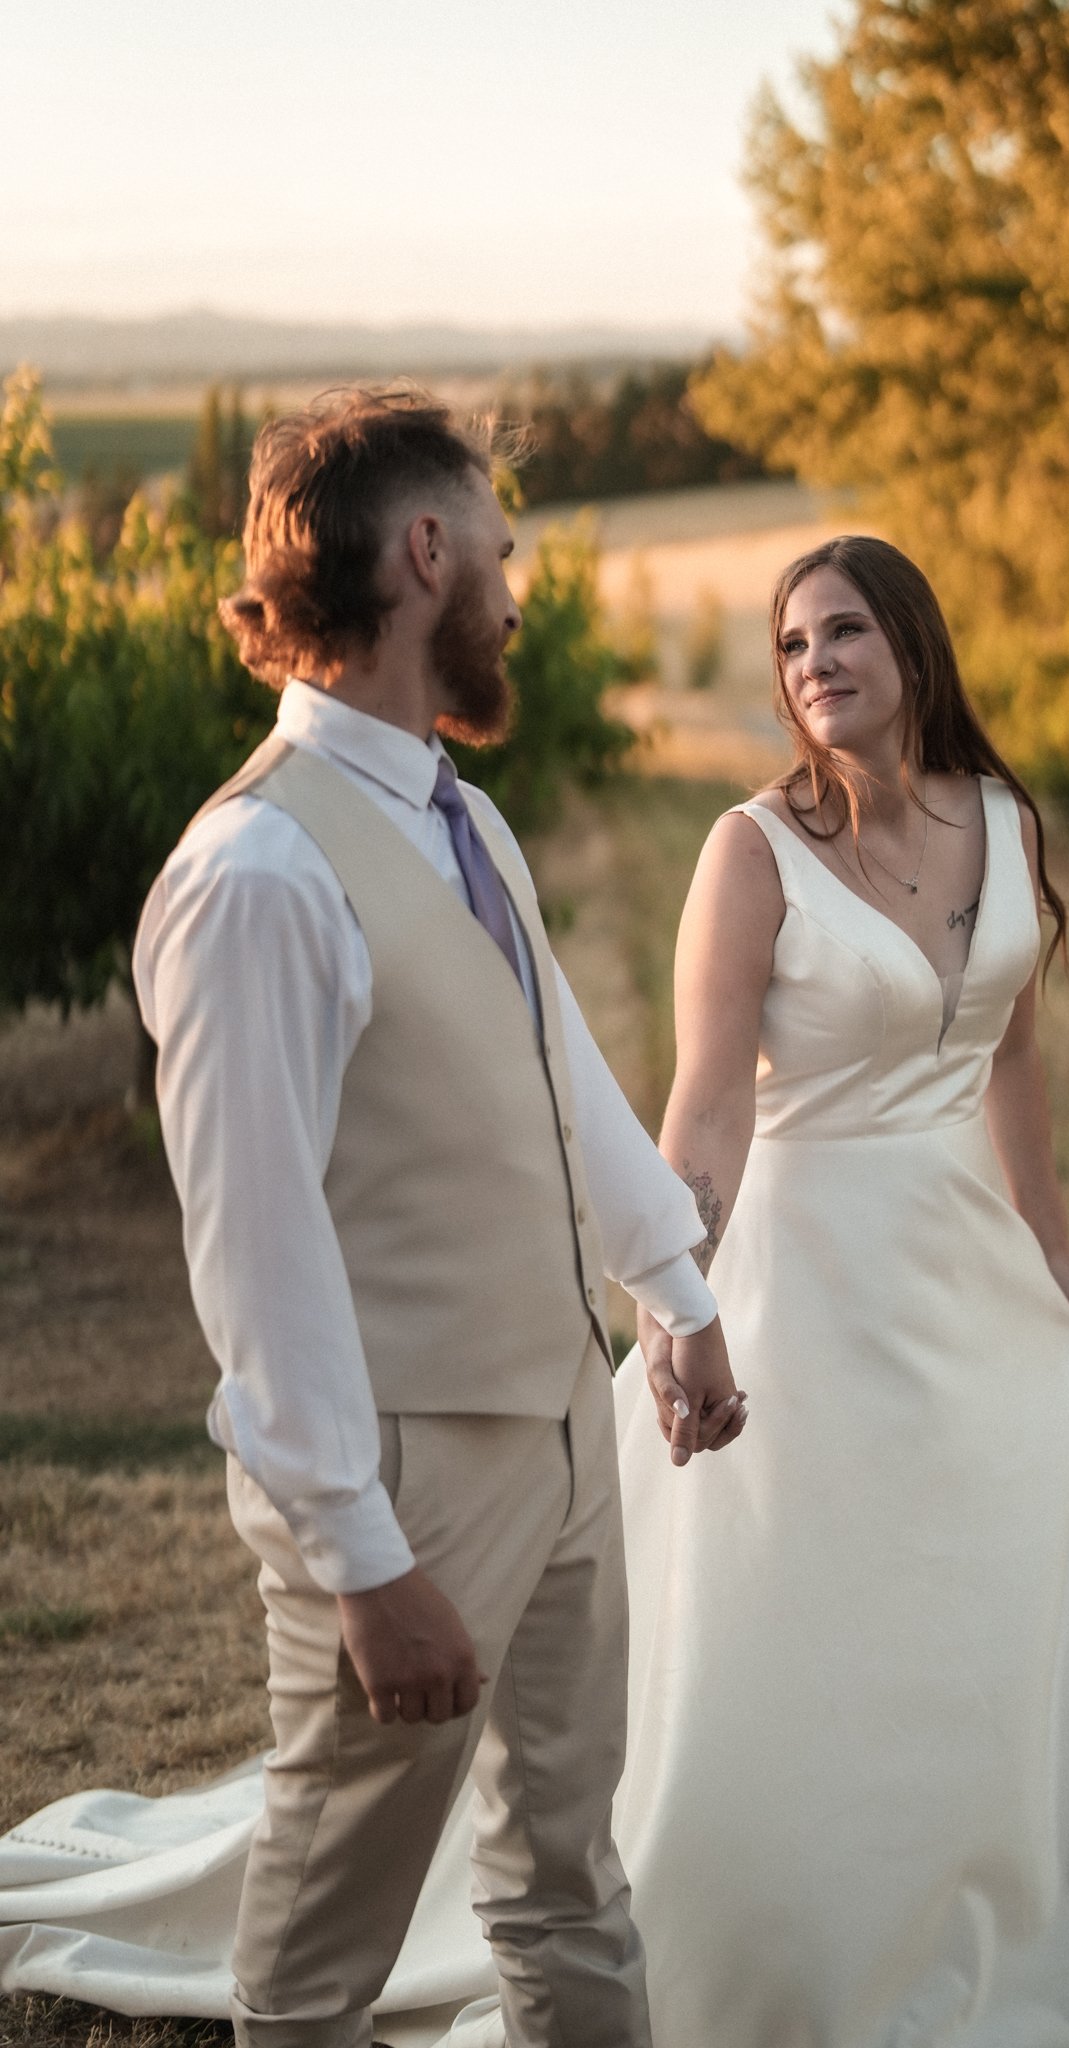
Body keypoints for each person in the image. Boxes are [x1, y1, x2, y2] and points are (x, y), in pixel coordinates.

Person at [3, 532, 1069, 2048]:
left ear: (911, 648)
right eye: (790, 646)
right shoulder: (748, 852)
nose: (815, 666)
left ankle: (1023, 1857)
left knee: (1026, 1536)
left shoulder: (1001, 820)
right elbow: (700, 1108)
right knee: (812, 1602)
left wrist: (1046, 1242)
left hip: (965, 1264)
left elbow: (1013, 1060)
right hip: (811, 1272)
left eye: (844, 633)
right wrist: (676, 1288)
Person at [77, 387, 745, 2048]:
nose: (518, 596)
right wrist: (364, 1562)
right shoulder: (256, 878)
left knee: (568, 1876)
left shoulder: (461, 813)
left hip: (562, 1426)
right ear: (424, 552)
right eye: (501, 554)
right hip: (399, 1470)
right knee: (323, 1958)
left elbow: (561, 1082)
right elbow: (257, 1252)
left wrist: (672, 1293)